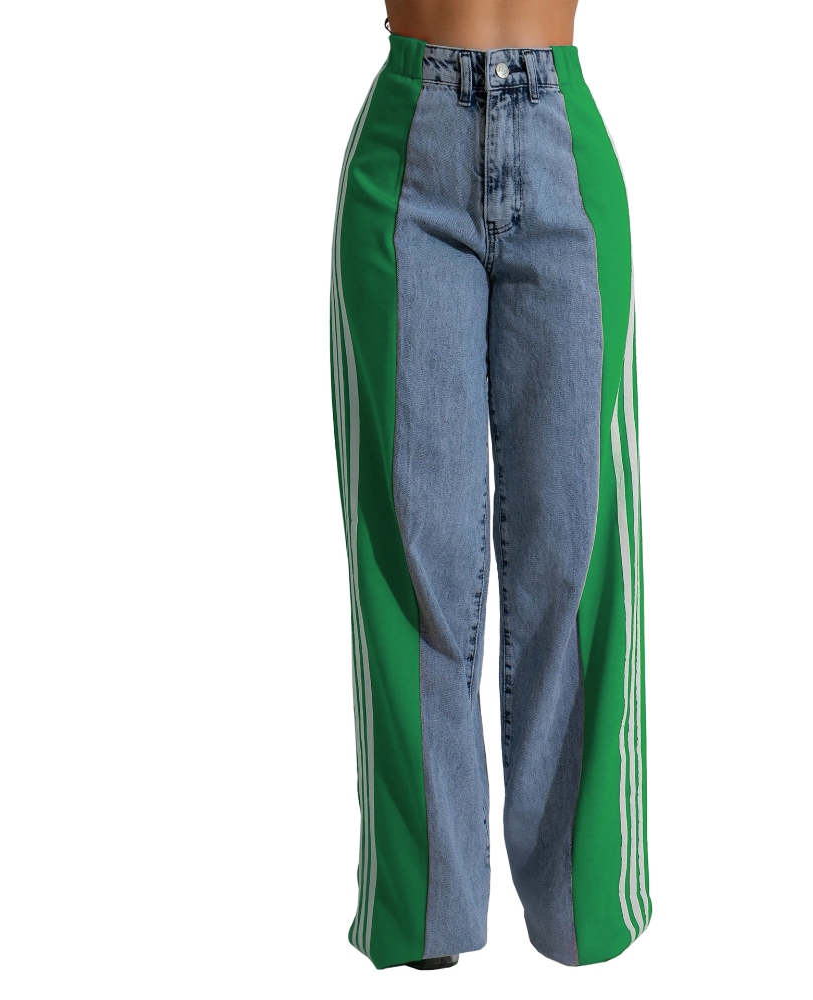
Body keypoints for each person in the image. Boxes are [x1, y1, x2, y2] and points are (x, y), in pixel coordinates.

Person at [329, 0, 651, 970]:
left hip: (561, 145)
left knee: (575, 548)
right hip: (410, 145)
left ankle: (584, 899)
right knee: (413, 548)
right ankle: (425, 904)